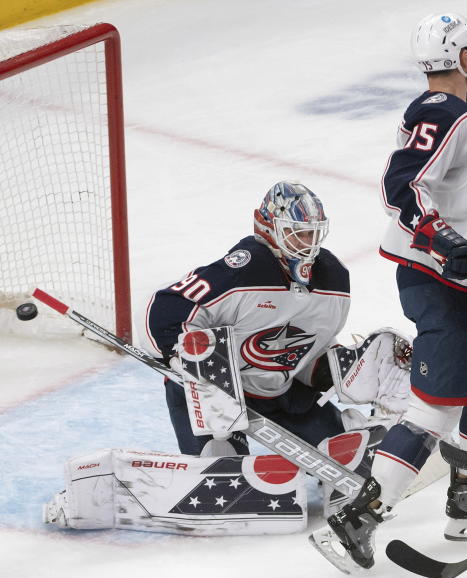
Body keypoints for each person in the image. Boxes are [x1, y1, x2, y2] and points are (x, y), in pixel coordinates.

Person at [313, 12, 467, 574]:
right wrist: (442, 235)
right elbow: (401, 185)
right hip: (438, 277)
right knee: (437, 406)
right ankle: (360, 515)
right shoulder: (440, 111)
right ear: (466, 59)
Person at [145, 181, 410, 497]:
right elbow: (164, 309)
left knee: (347, 459)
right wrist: (183, 357)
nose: (307, 243)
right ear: (267, 227)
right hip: (217, 393)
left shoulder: (334, 279)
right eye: (298, 232)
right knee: (220, 475)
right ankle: (221, 445)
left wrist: (341, 368)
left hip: (281, 396)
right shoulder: (245, 269)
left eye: (312, 233)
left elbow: (307, 354)